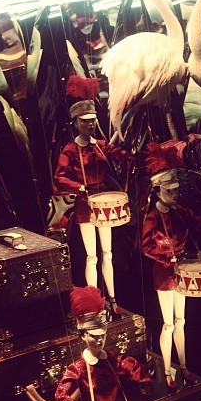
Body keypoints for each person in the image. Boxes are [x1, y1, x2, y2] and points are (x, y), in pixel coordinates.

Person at [141, 140, 201, 390]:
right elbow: (146, 246)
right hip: (164, 273)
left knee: (182, 321)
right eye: (170, 192)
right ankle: (168, 370)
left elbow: (197, 222)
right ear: (159, 191)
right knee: (168, 323)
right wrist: (167, 259)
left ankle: (184, 366)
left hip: (180, 271)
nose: (175, 196)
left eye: (176, 192)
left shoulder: (179, 212)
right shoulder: (153, 217)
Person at [53, 98, 131, 314]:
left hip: (104, 201)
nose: (90, 124)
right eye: (85, 121)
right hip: (85, 204)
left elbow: (121, 155)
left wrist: (127, 151)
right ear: (75, 123)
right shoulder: (70, 150)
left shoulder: (101, 145)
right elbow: (59, 177)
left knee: (108, 253)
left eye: (93, 120)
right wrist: (78, 187)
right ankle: (94, 299)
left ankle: (112, 298)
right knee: (92, 256)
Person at [55, 286, 151, 401]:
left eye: (102, 335)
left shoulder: (113, 359)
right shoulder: (78, 368)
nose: (100, 340)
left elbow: (133, 367)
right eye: (94, 336)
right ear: (83, 336)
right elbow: (61, 396)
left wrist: (146, 377)